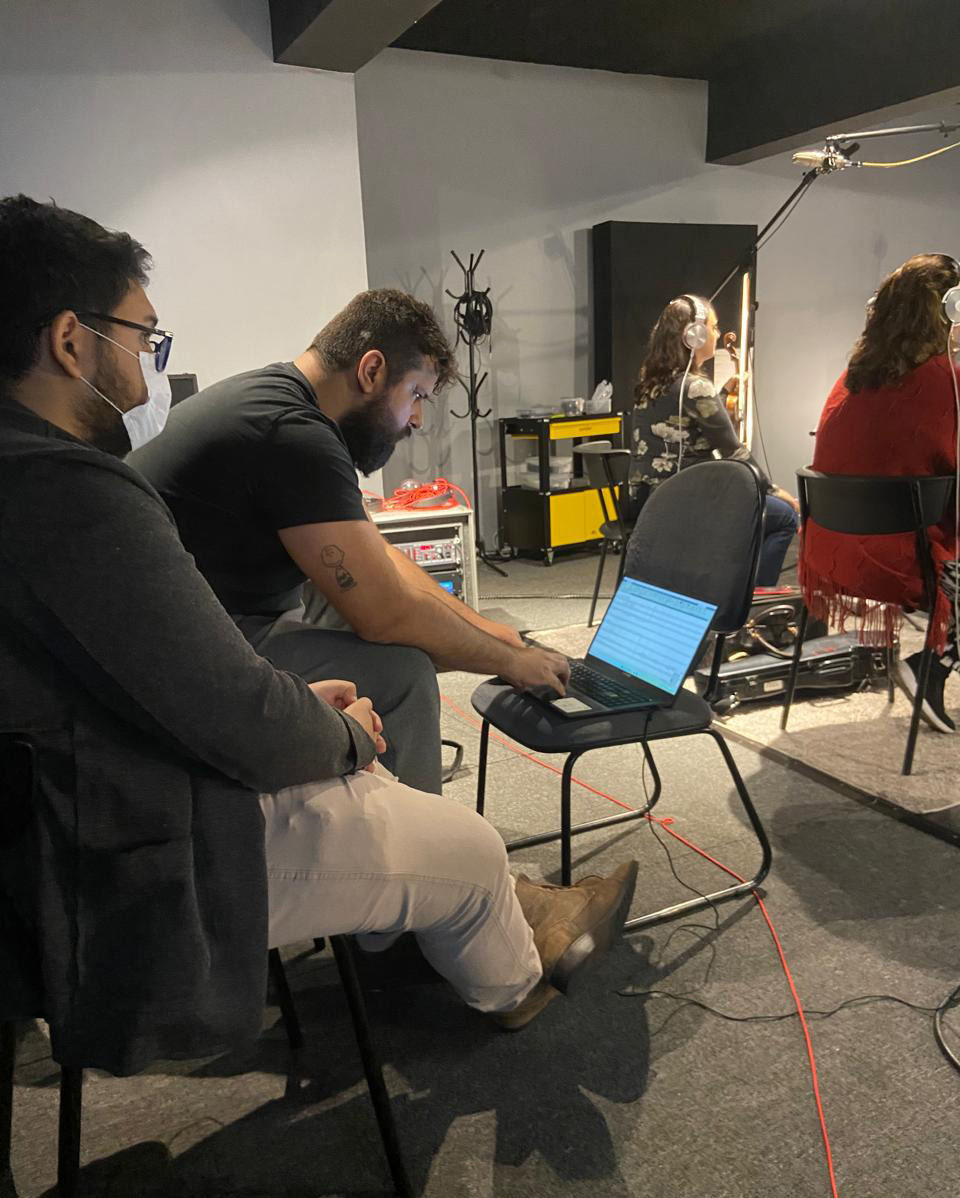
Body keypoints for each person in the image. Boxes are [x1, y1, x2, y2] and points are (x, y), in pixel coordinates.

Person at [0, 195, 638, 1073]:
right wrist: (341, 727)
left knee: (390, 657)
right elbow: (351, 635)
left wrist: (496, 637)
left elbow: (383, 574)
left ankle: (452, 896)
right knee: (406, 685)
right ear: (72, 342)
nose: (149, 370)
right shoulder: (95, 484)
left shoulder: (259, 410)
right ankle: (423, 943)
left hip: (114, 749)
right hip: (114, 826)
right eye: (144, 339)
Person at [130, 291, 569, 796]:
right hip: (187, 658)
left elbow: (376, 560)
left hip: (202, 624)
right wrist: (511, 662)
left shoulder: (281, 403)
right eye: (418, 395)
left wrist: (487, 629)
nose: (418, 420)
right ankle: (432, 865)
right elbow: (387, 613)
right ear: (372, 370)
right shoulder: (293, 434)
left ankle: (375, 814)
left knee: (369, 609)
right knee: (401, 673)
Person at [802, 253, 960, 733]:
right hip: (899, 559)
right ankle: (931, 666)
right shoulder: (943, 381)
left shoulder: (851, 378)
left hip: (830, 552)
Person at [630, 295, 799, 586]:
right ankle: (750, 603)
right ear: (693, 335)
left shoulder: (650, 383)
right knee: (784, 517)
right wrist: (773, 490)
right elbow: (732, 450)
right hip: (689, 504)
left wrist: (721, 395)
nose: (718, 333)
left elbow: (685, 425)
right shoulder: (695, 387)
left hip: (651, 503)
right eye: (714, 326)